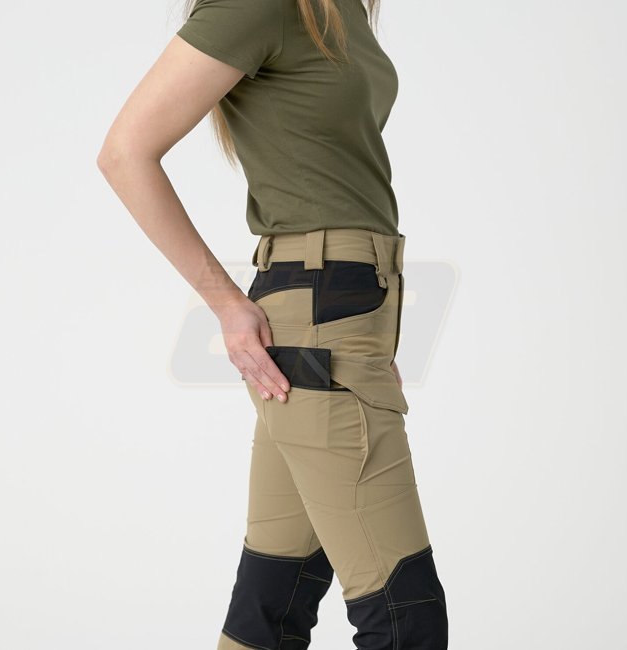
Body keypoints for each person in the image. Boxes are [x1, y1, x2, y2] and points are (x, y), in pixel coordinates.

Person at [97, 1, 449, 647]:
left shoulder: (340, 9)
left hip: (350, 309)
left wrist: (370, 340)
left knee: (274, 599)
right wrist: (225, 303)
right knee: (405, 616)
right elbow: (125, 152)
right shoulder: (258, 3)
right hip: (320, 310)